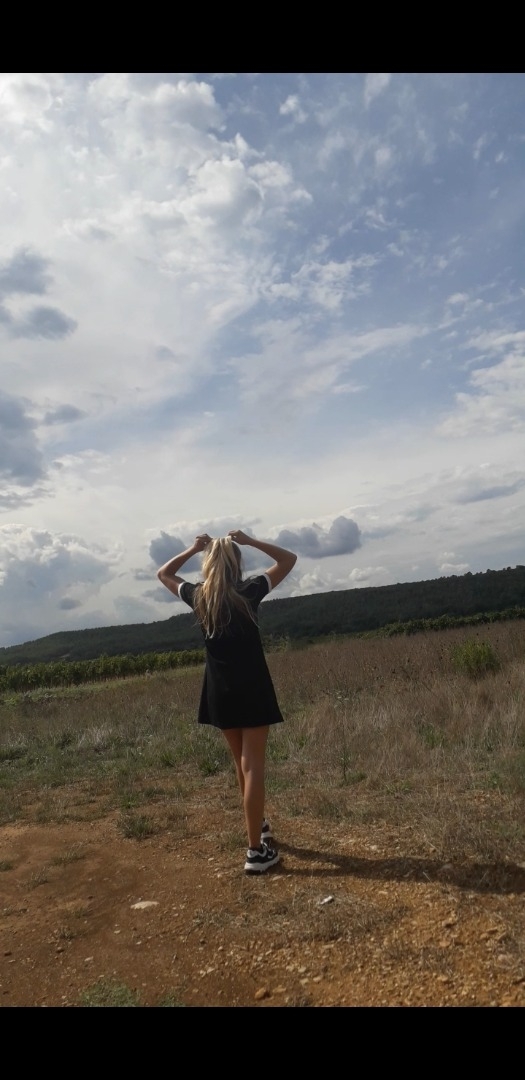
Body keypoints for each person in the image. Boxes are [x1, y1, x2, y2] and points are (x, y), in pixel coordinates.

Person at [157, 529, 297, 874]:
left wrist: (193, 548)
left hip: (219, 692)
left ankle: (258, 824)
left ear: (208, 564)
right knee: (253, 766)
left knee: (241, 763)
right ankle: (255, 852)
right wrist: (250, 541)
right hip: (253, 689)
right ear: (237, 563)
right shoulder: (250, 591)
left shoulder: (199, 596)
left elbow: (164, 573)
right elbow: (288, 559)